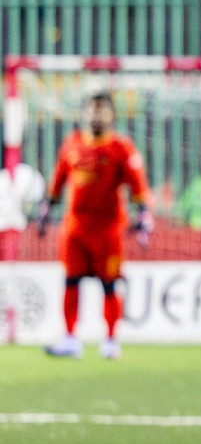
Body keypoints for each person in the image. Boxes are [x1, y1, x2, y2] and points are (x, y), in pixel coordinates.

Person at [37, 94, 154, 360]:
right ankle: (69, 338)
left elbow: (138, 186)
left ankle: (111, 341)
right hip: (76, 228)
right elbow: (57, 181)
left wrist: (144, 215)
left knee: (110, 285)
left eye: (101, 111)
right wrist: (46, 209)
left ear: (112, 117)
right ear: (83, 114)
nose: (95, 116)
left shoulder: (121, 148)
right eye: (91, 110)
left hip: (107, 230)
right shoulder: (72, 144)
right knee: (70, 281)